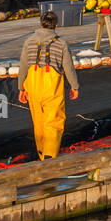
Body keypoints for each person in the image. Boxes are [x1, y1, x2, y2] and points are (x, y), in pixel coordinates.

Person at [17, 10, 79, 160]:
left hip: (32, 84)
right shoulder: (61, 43)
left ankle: (40, 152)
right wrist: (74, 86)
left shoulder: (29, 41)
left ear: (41, 24)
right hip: (52, 86)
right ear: (56, 25)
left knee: (38, 121)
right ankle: (49, 156)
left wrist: (21, 88)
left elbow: (23, 66)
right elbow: (68, 67)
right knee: (53, 121)